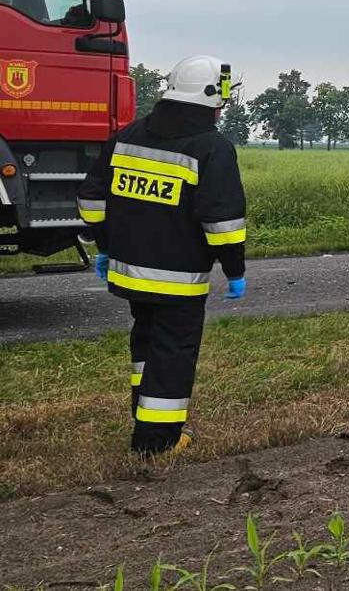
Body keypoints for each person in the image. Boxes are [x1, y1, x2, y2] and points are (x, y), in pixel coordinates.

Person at [76, 55, 249, 458]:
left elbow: (91, 199)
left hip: (127, 270)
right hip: (178, 277)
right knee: (173, 351)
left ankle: (144, 415)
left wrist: (104, 246)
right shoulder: (212, 147)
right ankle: (157, 441)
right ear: (212, 98)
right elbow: (223, 220)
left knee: (147, 341)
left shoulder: (128, 135)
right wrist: (234, 269)